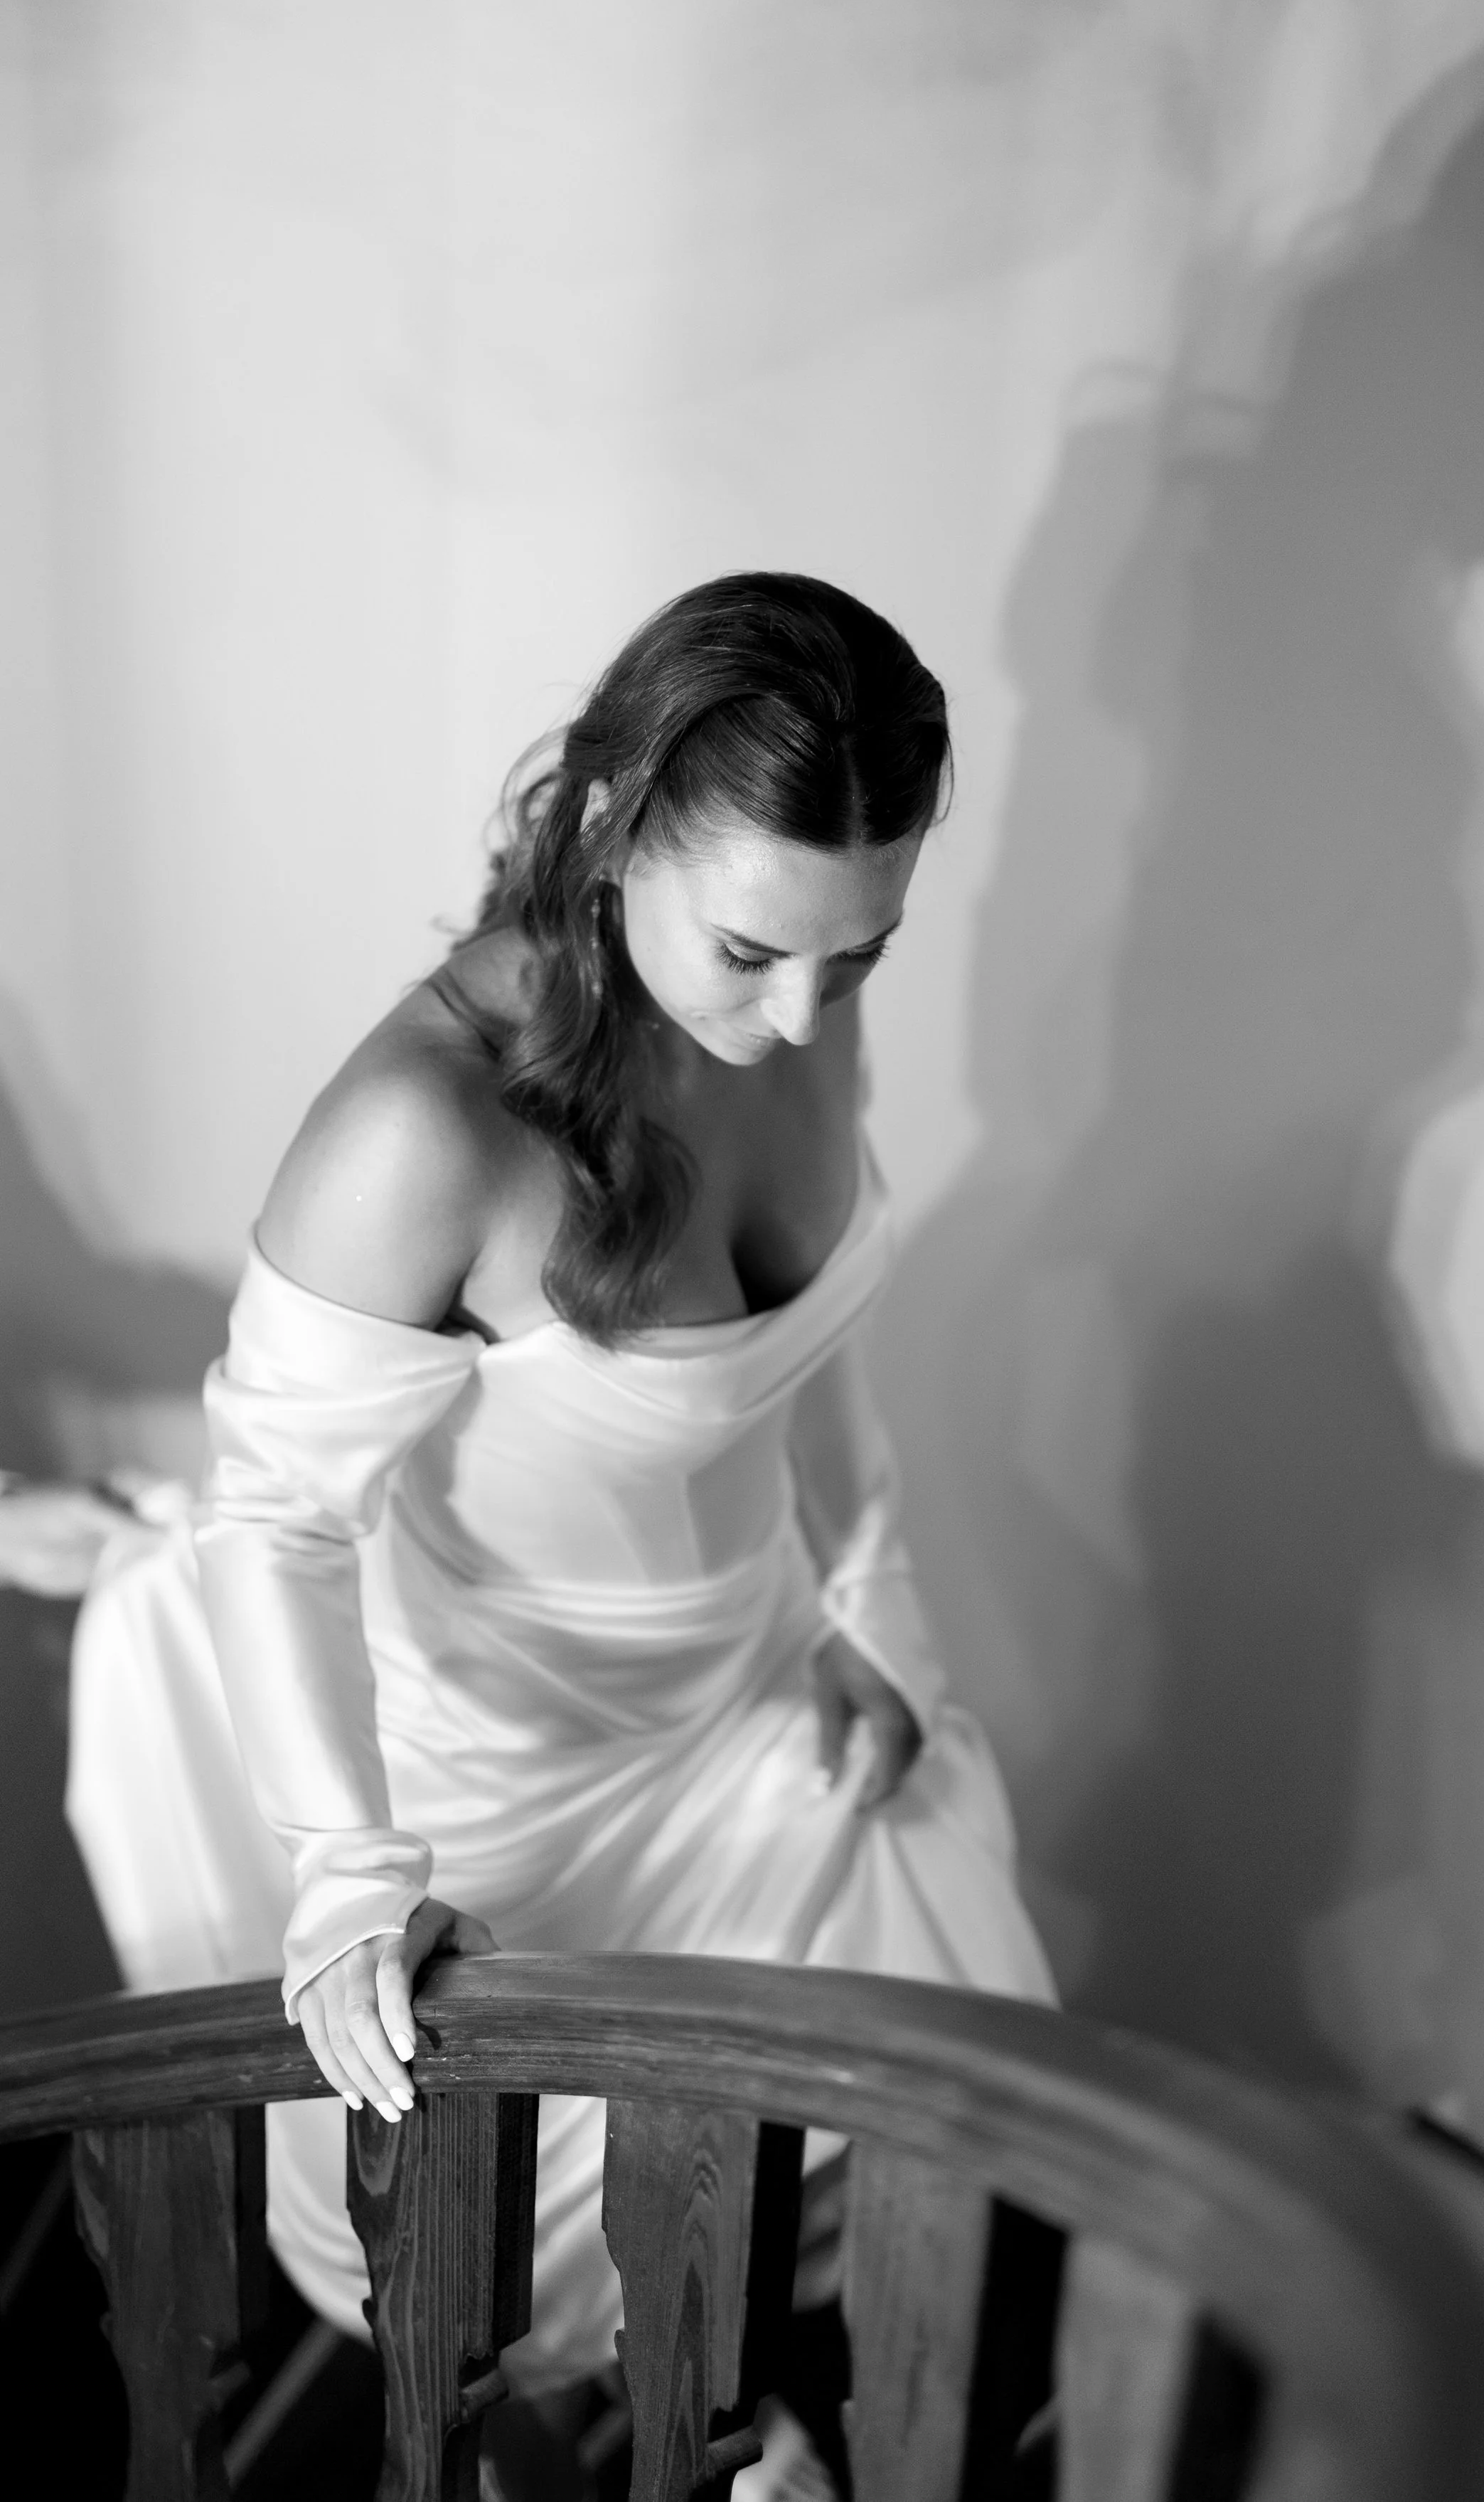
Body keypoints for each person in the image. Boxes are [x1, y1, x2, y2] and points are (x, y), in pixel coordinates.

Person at [64, 571, 1054, 2415]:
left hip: (751, 1697)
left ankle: (752, 2413)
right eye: (753, 950)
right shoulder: (426, 1132)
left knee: (927, 2067)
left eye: (861, 954)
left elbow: (809, 1349)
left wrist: (862, 1610)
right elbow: (271, 1515)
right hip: (508, 1774)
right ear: (613, 825)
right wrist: (354, 1877)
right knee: (506, 2283)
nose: (801, 1012)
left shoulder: (804, 1003)